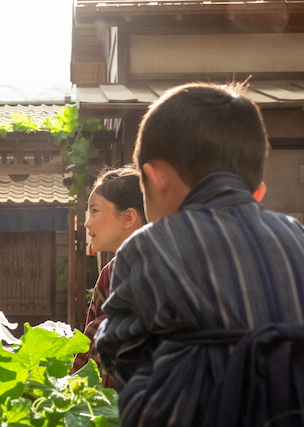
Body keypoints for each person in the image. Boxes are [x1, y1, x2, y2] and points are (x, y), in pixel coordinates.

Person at [95, 82, 304, 426]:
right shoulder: (294, 234)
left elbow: (118, 353)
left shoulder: (150, 245)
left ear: (155, 179)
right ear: (256, 191)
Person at [70, 165, 146, 388]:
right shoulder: (109, 273)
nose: (87, 222)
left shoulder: (166, 269)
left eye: (95, 211)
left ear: (128, 217)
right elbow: (84, 345)